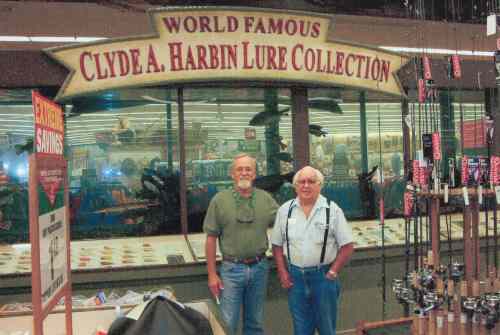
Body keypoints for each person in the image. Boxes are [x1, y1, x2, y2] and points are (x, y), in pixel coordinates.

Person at [271, 166, 354, 335]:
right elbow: (277, 245)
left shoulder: (332, 210)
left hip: (323, 278)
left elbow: (347, 246)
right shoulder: (285, 211)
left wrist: (332, 272)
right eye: (302, 182)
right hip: (296, 280)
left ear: (320, 185)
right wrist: (282, 272)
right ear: (295, 186)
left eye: (311, 182)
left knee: (327, 330)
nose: (306, 186)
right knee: (301, 330)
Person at [203, 153, 278, 335]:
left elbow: (285, 224)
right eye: (239, 169)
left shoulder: (266, 199)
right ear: (232, 174)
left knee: (255, 323)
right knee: (227, 323)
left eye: (248, 169)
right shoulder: (219, 201)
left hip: (260, 268)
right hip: (231, 270)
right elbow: (211, 238)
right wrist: (212, 275)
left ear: (254, 174)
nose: (244, 173)